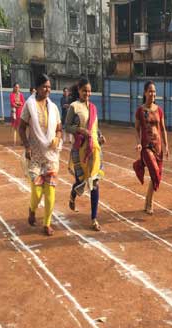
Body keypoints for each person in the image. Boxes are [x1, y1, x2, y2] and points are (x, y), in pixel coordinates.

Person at [19, 74, 62, 236]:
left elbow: (59, 128)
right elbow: (21, 128)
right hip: (35, 157)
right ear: (36, 88)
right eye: (44, 86)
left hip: (51, 157)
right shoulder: (29, 106)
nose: (48, 89)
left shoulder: (54, 108)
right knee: (37, 192)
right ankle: (32, 209)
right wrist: (27, 146)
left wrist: (57, 138)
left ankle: (47, 223)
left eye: (49, 87)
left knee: (50, 191)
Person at [65, 77, 106, 231]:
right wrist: (80, 130)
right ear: (79, 91)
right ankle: (73, 194)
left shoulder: (93, 107)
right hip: (80, 149)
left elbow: (95, 126)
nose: (87, 93)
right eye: (84, 91)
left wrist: (100, 136)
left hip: (94, 149)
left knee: (94, 183)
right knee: (81, 181)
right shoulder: (74, 107)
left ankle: (94, 218)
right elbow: (67, 126)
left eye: (89, 91)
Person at [133, 80, 169, 215]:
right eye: (150, 91)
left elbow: (163, 129)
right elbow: (137, 129)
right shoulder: (140, 111)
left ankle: (148, 201)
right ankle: (139, 163)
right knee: (154, 171)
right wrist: (138, 142)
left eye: (154, 91)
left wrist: (166, 146)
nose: (153, 94)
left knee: (157, 177)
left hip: (158, 146)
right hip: (146, 146)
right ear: (145, 92)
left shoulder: (159, 110)